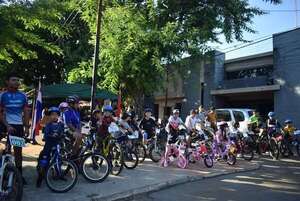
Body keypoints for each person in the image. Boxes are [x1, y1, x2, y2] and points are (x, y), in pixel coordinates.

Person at [0, 73, 30, 184]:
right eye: (13, 80)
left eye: (18, 80)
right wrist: (7, 125)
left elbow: (26, 111)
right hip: (4, 124)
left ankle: (19, 175)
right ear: (7, 82)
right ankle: (3, 171)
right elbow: (0, 112)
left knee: (18, 152)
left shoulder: (23, 96)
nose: (16, 82)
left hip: (18, 126)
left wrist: (26, 127)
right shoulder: (2, 95)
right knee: (7, 150)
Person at [36, 107, 64, 187]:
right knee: (44, 160)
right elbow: (46, 134)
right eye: (52, 115)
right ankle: (40, 177)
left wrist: (62, 135)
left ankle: (58, 174)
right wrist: (50, 135)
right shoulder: (48, 125)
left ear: (58, 116)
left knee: (58, 158)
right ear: (50, 116)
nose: (54, 116)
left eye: (56, 115)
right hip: (49, 144)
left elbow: (62, 132)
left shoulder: (60, 124)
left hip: (57, 144)